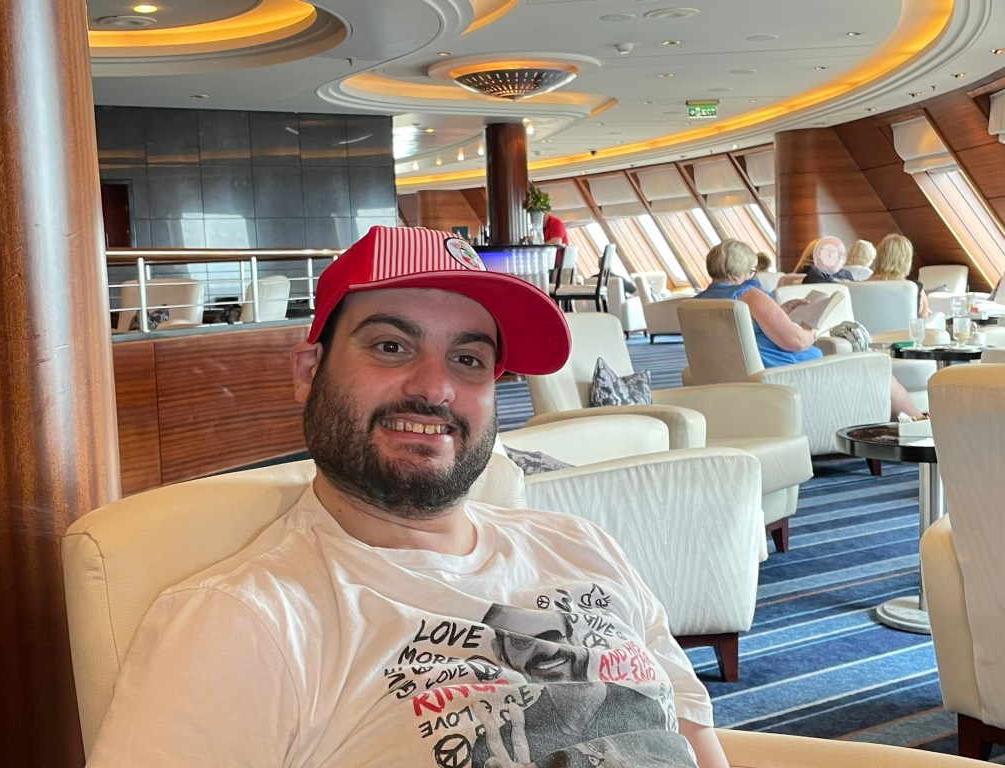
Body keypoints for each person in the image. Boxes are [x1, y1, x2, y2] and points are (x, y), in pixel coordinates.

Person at [87, 225, 729, 768]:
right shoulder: (246, 623)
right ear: (309, 373)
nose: (434, 388)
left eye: (469, 360)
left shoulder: (580, 546)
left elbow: (697, 745)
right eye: (391, 346)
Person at [695, 238, 922, 418]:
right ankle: (922, 429)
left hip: (743, 381)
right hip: (790, 376)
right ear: (738, 271)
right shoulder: (748, 294)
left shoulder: (699, 302)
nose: (752, 276)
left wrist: (780, 313)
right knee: (880, 372)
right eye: (751, 271)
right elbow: (797, 342)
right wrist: (814, 328)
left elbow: (744, 333)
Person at [869, 233, 930, 318]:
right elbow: (924, 322)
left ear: (878, 256)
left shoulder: (855, 288)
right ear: (906, 260)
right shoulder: (915, 290)